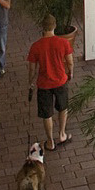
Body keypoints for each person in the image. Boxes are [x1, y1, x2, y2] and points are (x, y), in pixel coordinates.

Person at [26, 14, 74, 150]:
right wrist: (70, 73)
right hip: (60, 80)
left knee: (47, 114)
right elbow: (70, 62)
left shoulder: (36, 46)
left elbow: (32, 68)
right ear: (55, 26)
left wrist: (30, 82)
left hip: (44, 84)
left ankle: (50, 141)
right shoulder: (63, 43)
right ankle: (62, 134)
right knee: (63, 108)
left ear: (42, 27)